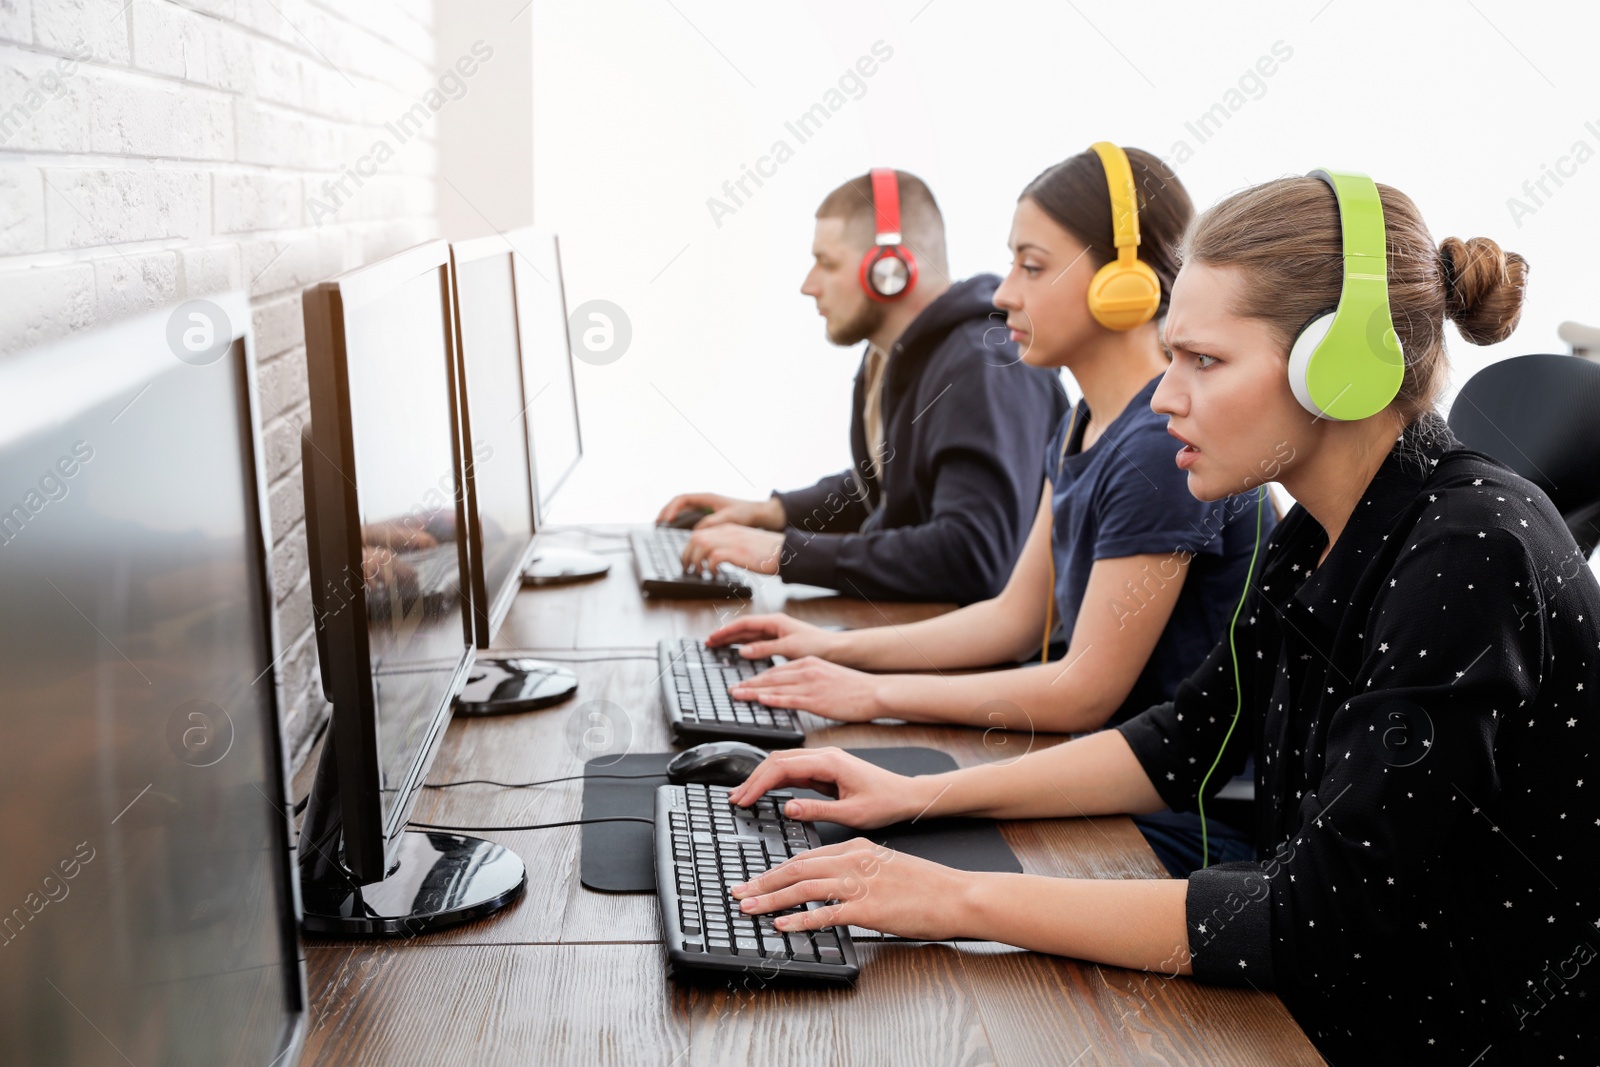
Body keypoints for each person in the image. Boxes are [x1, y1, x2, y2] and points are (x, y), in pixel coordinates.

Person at [722, 171, 1599, 1064]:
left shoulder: (1472, 551)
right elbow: (1182, 739)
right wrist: (919, 796)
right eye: (1170, 354)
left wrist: (953, 898)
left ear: (1341, 365)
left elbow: (1311, 916)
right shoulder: (1319, 531)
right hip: (1333, 1009)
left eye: (1204, 361)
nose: (1166, 395)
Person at [707, 146, 1271, 875]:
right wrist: (828, 648)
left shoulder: (1160, 447)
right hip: (1107, 783)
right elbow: (1013, 616)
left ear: (1122, 284)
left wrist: (871, 694)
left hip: (1184, 825)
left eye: (1032, 267)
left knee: (859, 850)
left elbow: (1080, 692)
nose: (1004, 293)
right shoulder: (1085, 425)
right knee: (835, 831)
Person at [658, 169, 1068, 605]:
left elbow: (971, 556)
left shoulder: (982, 367)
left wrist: (784, 554)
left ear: (889, 270)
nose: (808, 285)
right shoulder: (890, 357)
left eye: (828, 263)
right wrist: (769, 514)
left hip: (991, 662)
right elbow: (885, 489)